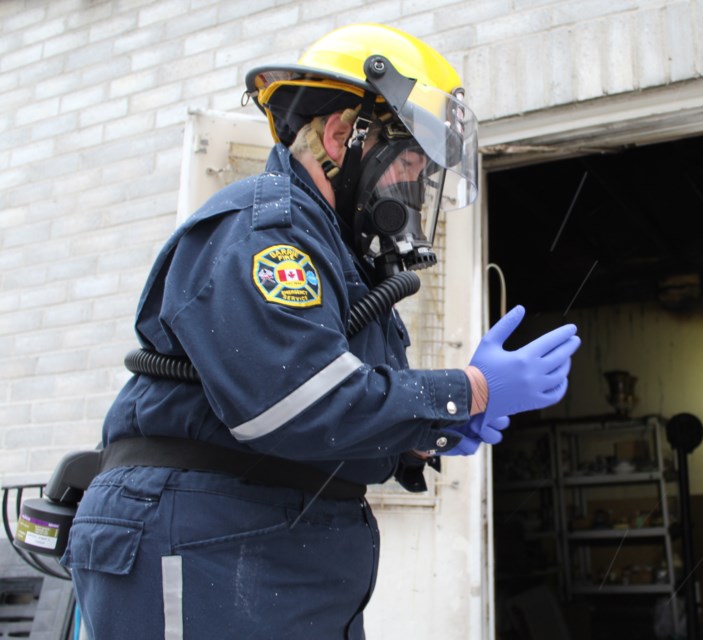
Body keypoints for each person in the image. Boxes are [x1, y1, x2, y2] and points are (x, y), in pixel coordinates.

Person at [61, 23, 581, 639]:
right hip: (202, 544)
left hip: (267, 549)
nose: (415, 193)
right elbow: (294, 402)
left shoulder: (337, 255)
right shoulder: (266, 232)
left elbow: (327, 417)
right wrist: (468, 390)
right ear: (343, 135)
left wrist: (421, 439)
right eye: (412, 163)